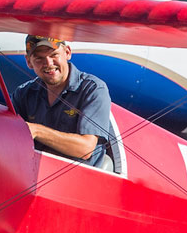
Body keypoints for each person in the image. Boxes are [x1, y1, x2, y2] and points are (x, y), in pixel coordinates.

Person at [14, 35, 113, 168]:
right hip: (31, 175)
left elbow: (85, 149)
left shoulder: (93, 88)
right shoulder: (23, 93)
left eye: (54, 55)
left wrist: (37, 131)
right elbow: (10, 137)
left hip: (81, 181)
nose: (49, 63)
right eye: (39, 58)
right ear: (28, 62)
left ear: (67, 53)